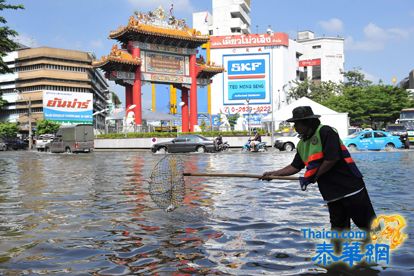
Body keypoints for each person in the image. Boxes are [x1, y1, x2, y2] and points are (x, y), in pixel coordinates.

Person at [261, 106, 376, 233]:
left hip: (350, 189)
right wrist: (273, 174)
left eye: (297, 124)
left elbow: (331, 159)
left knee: (369, 227)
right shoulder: (302, 144)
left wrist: (313, 176)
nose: (295, 127)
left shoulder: (326, 132)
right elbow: (295, 166)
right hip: (331, 194)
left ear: (308, 122)